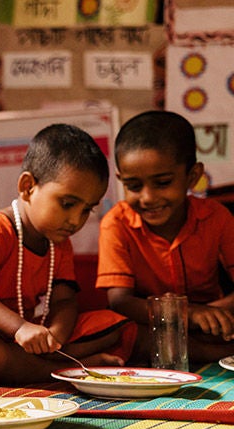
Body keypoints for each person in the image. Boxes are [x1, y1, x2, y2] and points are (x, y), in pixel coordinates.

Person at [0, 124, 138, 385]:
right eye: (68, 204)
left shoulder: (58, 243)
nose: (75, 220)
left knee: (115, 324)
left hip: (22, 333)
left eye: (87, 210)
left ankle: (52, 359)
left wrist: (56, 335)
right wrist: (19, 327)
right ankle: (72, 368)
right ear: (27, 187)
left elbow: (64, 301)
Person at [97, 110, 234, 364]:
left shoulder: (216, 217)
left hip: (211, 325)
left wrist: (211, 314)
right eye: (134, 186)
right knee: (117, 331)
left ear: (192, 176)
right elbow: (119, 302)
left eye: (162, 183)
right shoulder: (115, 223)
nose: (148, 198)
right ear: (121, 181)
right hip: (150, 327)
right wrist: (186, 314)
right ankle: (216, 357)